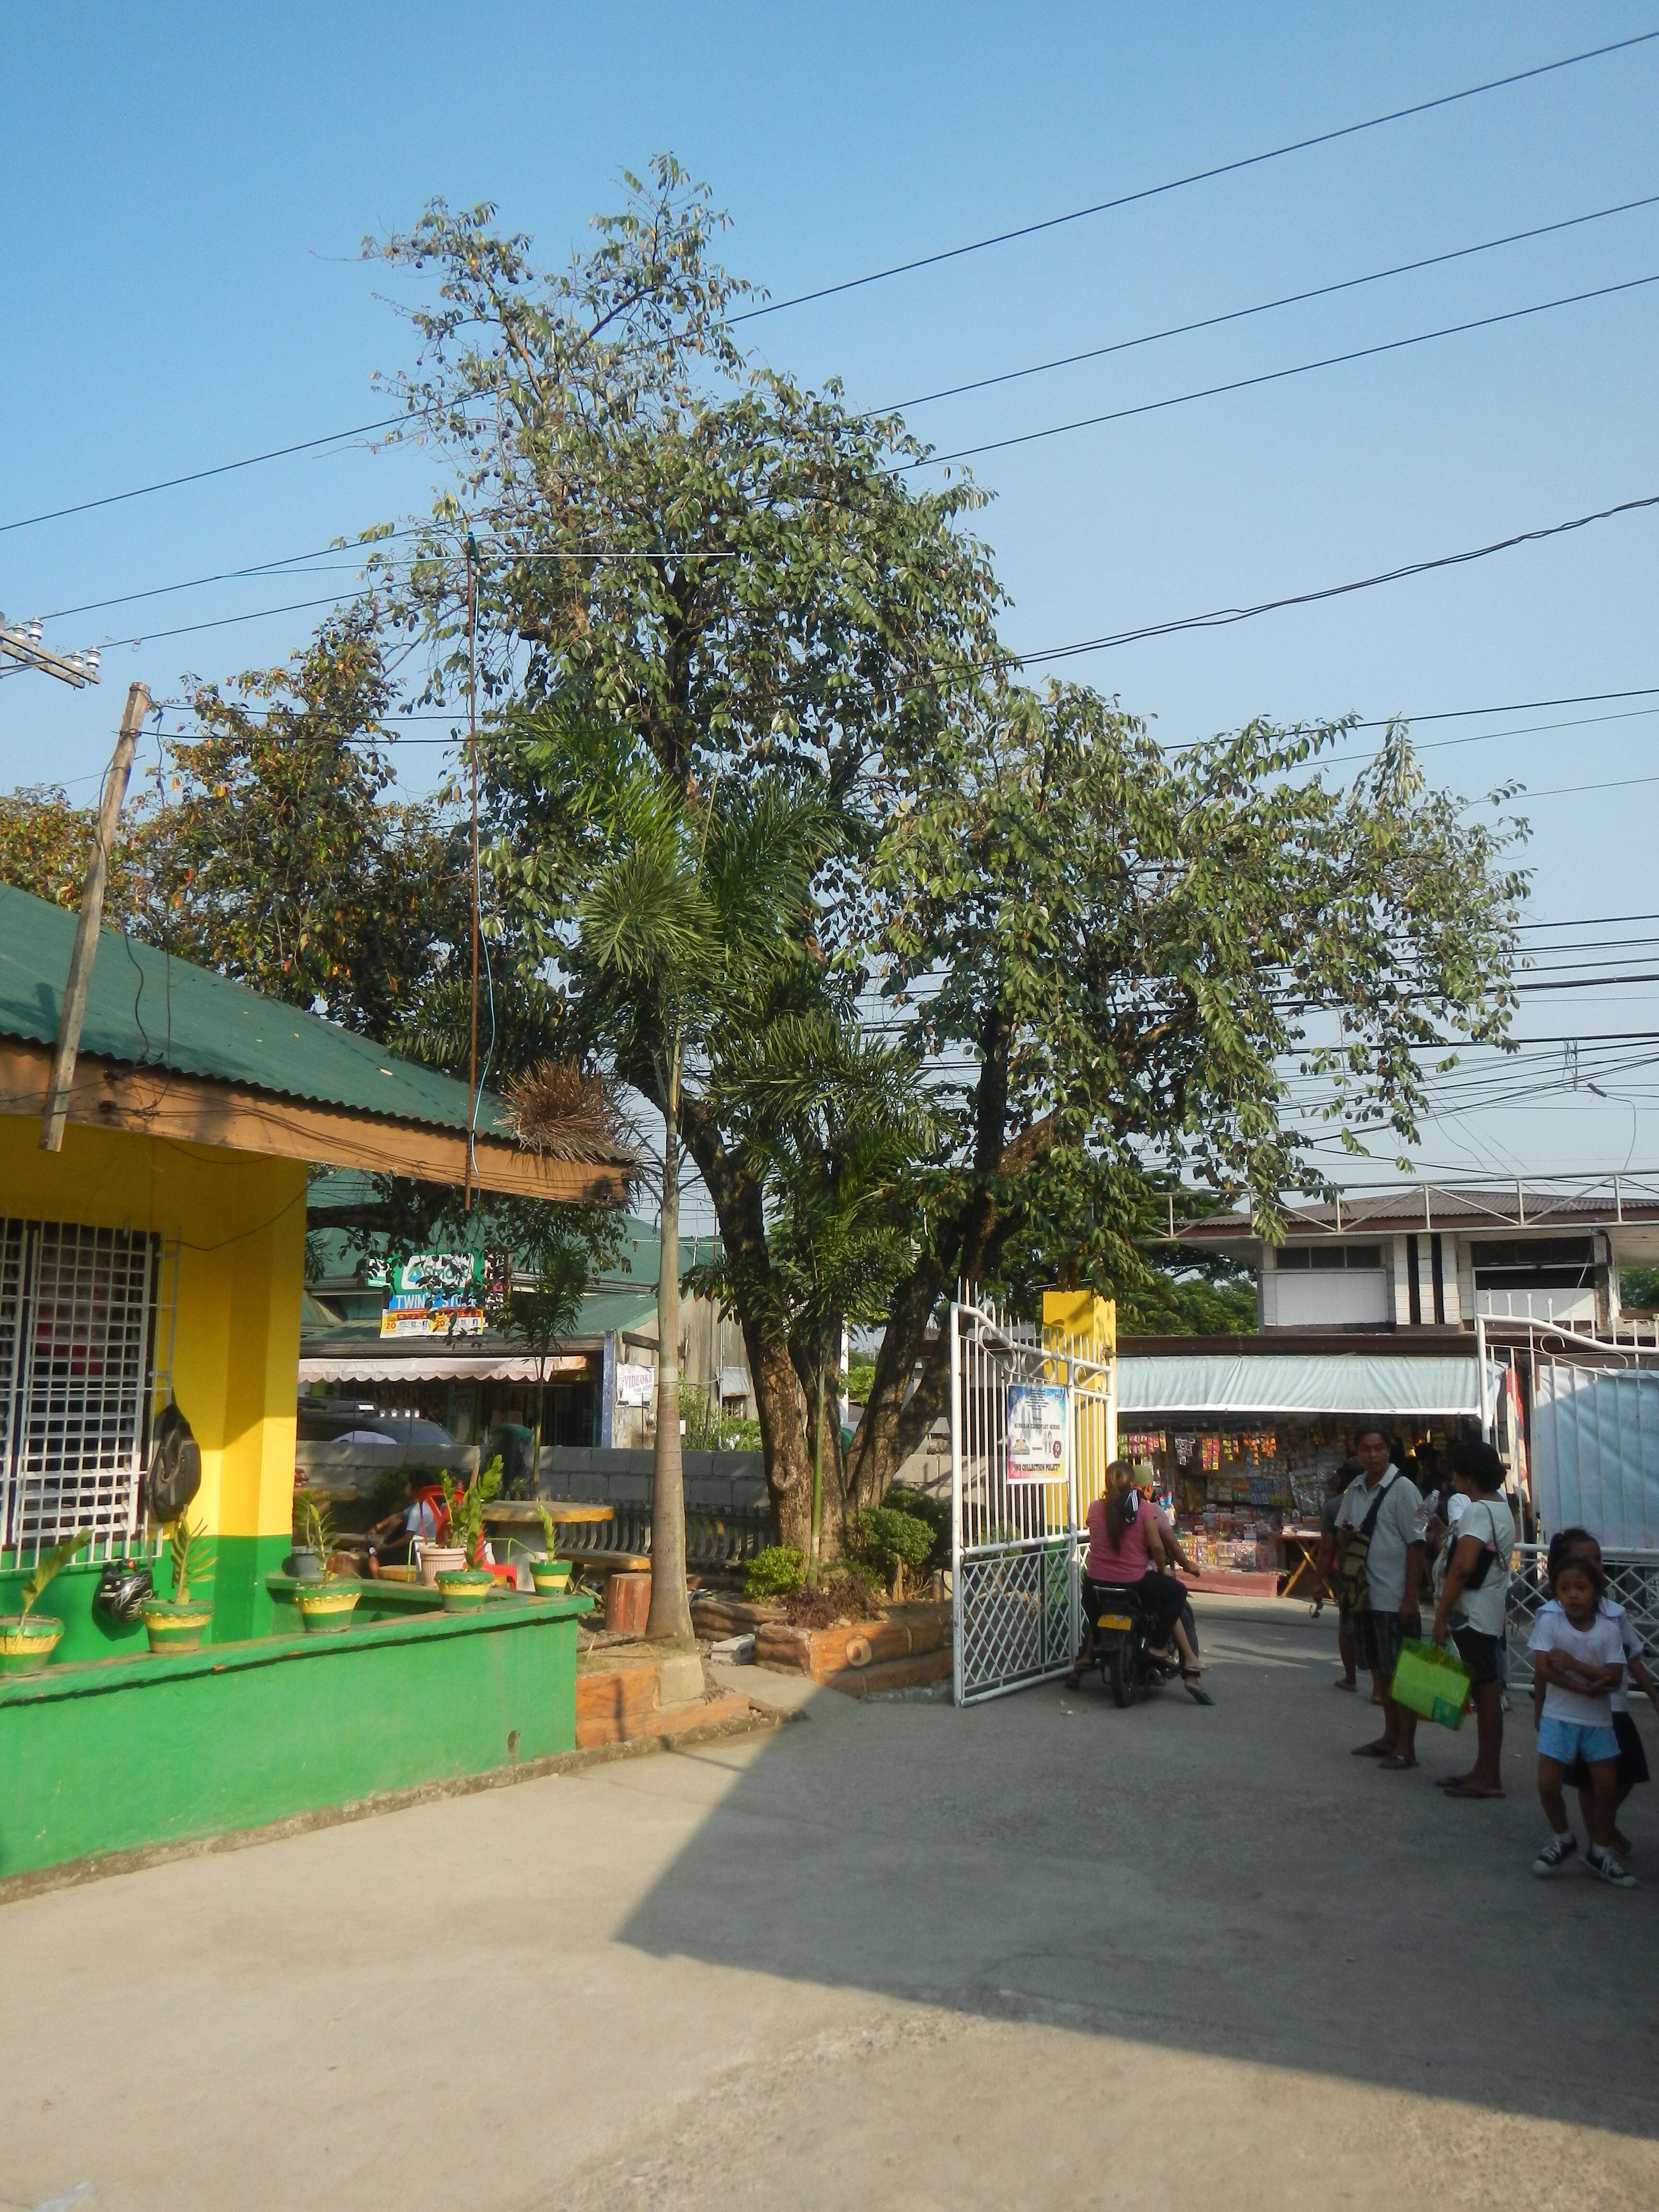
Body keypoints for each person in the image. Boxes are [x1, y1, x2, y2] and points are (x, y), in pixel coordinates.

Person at [1532, 1527, 1659, 1860]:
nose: (1595, 1565)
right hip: (1572, 1709)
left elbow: (1631, 1659)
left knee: (1628, 1771)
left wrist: (1655, 1697)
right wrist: (1540, 1704)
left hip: (1613, 1705)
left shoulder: (1614, 1615)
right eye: (1584, 1559)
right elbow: (1543, 1667)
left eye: (1598, 1559)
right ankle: (1598, 1840)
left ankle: (1603, 1826)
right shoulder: (1551, 1616)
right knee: (1589, 1781)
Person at [1527, 1552, 1636, 1885]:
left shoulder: (1608, 1630)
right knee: (1548, 1784)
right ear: (1556, 1592)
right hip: (1558, 1716)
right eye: (1565, 1588)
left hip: (1599, 1722)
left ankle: (1599, 1852)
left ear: (1596, 1592)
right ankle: (1563, 1837)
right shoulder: (1550, 1623)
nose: (1573, 1595)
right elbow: (1544, 1668)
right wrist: (1587, 1685)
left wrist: (1575, 1666)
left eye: (1581, 1588)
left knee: (1605, 1789)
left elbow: (1614, 1676)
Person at [1069, 1460, 1208, 1699]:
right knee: (1177, 1593)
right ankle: (1158, 1645)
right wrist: (1163, 1569)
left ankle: (1096, 1643)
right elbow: (1157, 1545)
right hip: (1134, 1582)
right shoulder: (1144, 1509)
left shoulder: (1094, 1508)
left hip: (1096, 1584)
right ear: (1135, 1485)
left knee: (1092, 1605)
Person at [1334, 1423, 1426, 1769]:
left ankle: (1407, 1746)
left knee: (1402, 1674)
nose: (1373, 1456)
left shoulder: (1403, 1490)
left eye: (1379, 1449)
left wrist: (1409, 1598)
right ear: (1357, 1453)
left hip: (1394, 1595)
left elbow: (1416, 1545)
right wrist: (1346, 1537)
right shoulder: (1355, 1490)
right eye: (1366, 1449)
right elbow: (1344, 1533)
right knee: (1380, 1671)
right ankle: (1390, 1736)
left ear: (1389, 1451)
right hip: (1366, 1596)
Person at [1429, 1438, 1515, 1799]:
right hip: (1489, 1609)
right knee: (1486, 1690)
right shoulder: (1501, 1507)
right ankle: (1483, 1770)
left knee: (1485, 1691)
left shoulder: (1479, 1511)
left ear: (1468, 1476)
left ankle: (1488, 1776)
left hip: (1472, 1613)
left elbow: (1463, 1567)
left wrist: (1440, 1614)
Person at [1314, 1458, 1366, 1695]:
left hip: (1348, 1573)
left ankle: (1351, 1677)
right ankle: (1378, 1687)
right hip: (1376, 1572)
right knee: (1372, 1624)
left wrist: (1318, 1582)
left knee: (1348, 1624)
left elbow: (1326, 1549)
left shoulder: (1335, 1506)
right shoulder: (1376, 1502)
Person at [364, 1481, 440, 1577]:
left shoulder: (416, 1511)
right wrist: (378, 1527)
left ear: (415, 1490)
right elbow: (398, 1515)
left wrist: (387, 1547)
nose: (405, 1488)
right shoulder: (426, 1506)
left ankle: (379, 1585)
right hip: (426, 1547)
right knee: (396, 1523)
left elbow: (406, 1539)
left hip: (414, 1552)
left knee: (373, 1560)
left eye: (407, 1486)